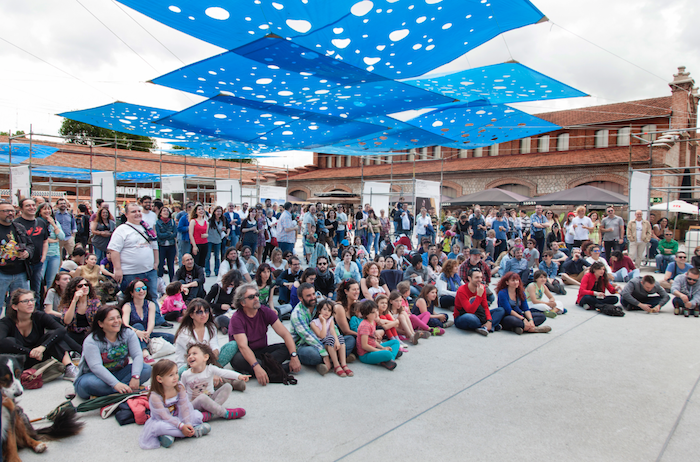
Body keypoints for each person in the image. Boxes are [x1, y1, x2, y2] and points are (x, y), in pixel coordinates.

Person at [228, 283, 301, 384]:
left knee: (286, 348)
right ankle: (281, 368)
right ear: (242, 302)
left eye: (257, 295)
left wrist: (294, 356)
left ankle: (263, 370)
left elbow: (285, 334)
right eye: (251, 297)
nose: (256, 298)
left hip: (262, 352)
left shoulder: (265, 311)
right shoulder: (237, 318)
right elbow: (243, 346)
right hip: (245, 354)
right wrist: (256, 366)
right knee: (237, 359)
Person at [73, 305, 152, 398]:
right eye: (111, 319)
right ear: (100, 323)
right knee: (89, 383)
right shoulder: (91, 341)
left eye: (118, 317)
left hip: (119, 373)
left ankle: (113, 393)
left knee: (146, 369)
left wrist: (135, 376)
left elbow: (137, 355)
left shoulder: (128, 333)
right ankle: (123, 390)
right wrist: (115, 384)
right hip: (95, 377)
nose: (116, 321)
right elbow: (96, 367)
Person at [0, 288, 78, 379]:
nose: (30, 303)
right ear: (15, 306)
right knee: (9, 340)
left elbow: (61, 330)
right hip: (20, 359)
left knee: (54, 334)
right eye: (25, 301)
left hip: (40, 357)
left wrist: (43, 347)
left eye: (32, 300)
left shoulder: (39, 316)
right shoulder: (6, 322)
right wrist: (29, 352)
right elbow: (2, 341)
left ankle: (69, 367)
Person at [138, 359, 210, 450]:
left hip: (180, 417)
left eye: (176, 373)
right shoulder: (155, 396)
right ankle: (193, 432)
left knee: (196, 415)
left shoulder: (179, 387)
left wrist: (187, 423)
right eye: (171, 375)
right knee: (158, 427)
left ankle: (172, 435)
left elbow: (184, 407)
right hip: (165, 421)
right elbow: (164, 416)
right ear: (160, 379)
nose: (176, 377)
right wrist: (181, 426)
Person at [290, 283, 355, 375]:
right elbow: (309, 337)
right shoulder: (297, 314)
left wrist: (337, 341)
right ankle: (337, 359)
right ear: (301, 298)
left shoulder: (320, 305)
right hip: (305, 344)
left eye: (313, 294)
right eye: (308, 296)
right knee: (314, 355)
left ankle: (331, 361)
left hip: (327, 341)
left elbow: (332, 325)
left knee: (350, 339)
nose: (313, 297)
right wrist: (324, 354)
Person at [181, 343, 248, 421]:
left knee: (228, 386)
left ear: (205, 357)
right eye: (189, 355)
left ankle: (210, 414)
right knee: (202, 397)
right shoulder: (186, 374)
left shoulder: (210, 369)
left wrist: (239, 376)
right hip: (194, 404)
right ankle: (225, 413)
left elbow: (224, 372)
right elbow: (181, 390)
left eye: (194, 353)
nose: (190, 356)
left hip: (210, 400)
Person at [108, 202, 160, 303]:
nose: (137, 213)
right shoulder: (121, 230)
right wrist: (117, 269)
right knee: (130, 299)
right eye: (133, 212)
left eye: (139, 211)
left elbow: (154, 246)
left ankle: (156, 318)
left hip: (149, 271)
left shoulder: (147, 228)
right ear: (126, 214)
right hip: (130, 273)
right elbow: (114, 250)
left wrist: (156, 263)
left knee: (152, 297)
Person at [121, 279, 175, 363]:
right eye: (138, 289)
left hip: (146, 334)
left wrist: (147, 333)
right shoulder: (127, 306)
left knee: (171, 337)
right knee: (138, 325)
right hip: (132, 334)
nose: (142, 291)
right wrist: (137, 331)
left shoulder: (150, 304)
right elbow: (125, 324)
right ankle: (144, 353)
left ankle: (142, 345)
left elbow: (151, 323)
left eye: (144, 288)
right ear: (132, 293)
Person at [14, 198, 48, 306]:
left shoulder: (41, 222)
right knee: (22, 293)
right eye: (28, 205)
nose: (32, 207)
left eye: (33, 205)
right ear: (21, 209)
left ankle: (35, 315)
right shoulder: (16, 224)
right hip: (21, 264)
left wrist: (43, 258)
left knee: (36, 291)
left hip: (37, 263)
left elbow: (45, 241)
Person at [454, 268, 504, 336]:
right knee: (470, 318)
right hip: (463, 316)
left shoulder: (482, 287)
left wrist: (489, 320)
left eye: (481, 277)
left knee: (500, 310)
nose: (480, 280)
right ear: (469, 278)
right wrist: (479, 295)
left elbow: (485, 307)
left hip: (479, 314)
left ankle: (487, 326)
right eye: (477, 277)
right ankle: (490, 326)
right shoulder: (461, 290)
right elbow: (470, 311)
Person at [356, 299, 400, 370]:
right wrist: (381, 350)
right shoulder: (365, 325)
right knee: (387, 354)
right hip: (366, 354)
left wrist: (382, 348)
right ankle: (390, 357)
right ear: (366, 314)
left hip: (374, 347)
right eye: (373, 312)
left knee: (395, 342)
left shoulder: (372, 321)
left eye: (376, 310)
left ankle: (389, 359)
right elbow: (364, 346)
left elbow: (372, 340)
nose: (376, 313)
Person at [58, 277, 102, 346]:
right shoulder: (68, 303)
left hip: (91, 333)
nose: (84, 287)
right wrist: (74, 301)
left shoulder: (95, 302)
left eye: (86, 285)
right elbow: (67, 321)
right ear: (74, 289)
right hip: (73, 333)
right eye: (80, 286)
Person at [36, 201, 64, 290]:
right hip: (42, 255)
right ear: (39, 211)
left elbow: (62, 237)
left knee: (51, 281)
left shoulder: (55, 222)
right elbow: (40, 238)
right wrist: (53, 240)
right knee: (39, 279)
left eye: (49, 209)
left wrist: (53, 224)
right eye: (44, 209)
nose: (47, 211)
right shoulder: (37, 222)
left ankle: (49, 300)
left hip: (54, 254)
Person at [205, 269, 243, 333]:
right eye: (231, 284)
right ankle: (227, 326)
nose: (232, 286)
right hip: (219, 313)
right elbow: (205, 302)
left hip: (232, 312)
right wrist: (220, 306)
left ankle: (226, 327)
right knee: (222, 319)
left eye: (234, 285)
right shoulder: (217, 287)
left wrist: (236, 304)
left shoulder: (236, 289)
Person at [156, 206, 177, 282]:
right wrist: (169, 233)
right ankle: (160, 283)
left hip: (171, 246)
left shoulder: (172, 222)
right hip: (161, 246)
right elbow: (159, 235)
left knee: (171, 266)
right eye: (164, 211)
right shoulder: (158, 223)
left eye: (167, 211)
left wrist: (166, 234)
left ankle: (172, 283)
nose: (166, 212)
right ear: (160, 213)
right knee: (160, 265)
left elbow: (174, 234)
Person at [188, 203, 209, 269]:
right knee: (195, 262)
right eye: (199, 209)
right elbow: (190, 234)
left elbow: (206, 233)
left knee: (202, 263)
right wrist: (194, 246)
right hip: (196, 244)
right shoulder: (193, 221)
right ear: (196, 212)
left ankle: (201, 276)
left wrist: (206, 235)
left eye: (202, 209)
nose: (201, 211)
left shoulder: (206, 222)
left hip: (204, 244)